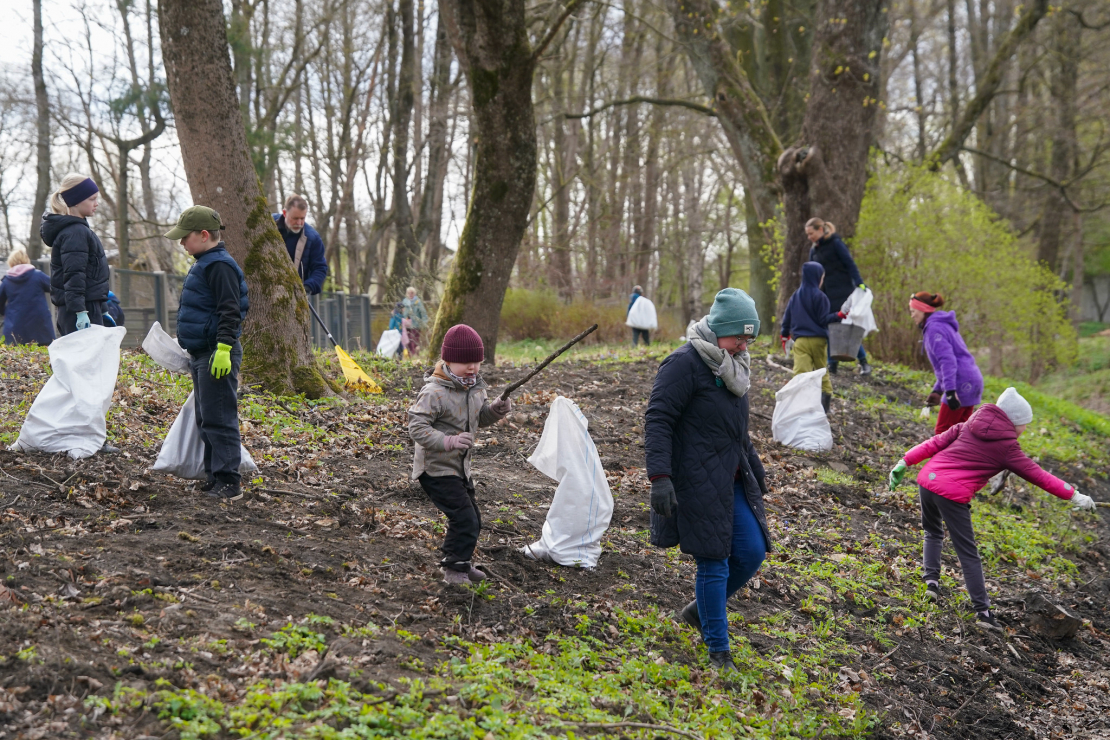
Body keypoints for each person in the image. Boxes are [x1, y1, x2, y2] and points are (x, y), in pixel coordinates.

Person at [888, 387, 1095, 630]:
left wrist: (905, 460)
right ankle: (983, 613)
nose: (1025, 428)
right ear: (1013, 421)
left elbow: (934, 442)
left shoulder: (967, 425)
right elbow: (1040, 476)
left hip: (927, 480)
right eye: (1024, 423)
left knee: (932, 532)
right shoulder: (1008, 448)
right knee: (968, 554)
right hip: (952, 494)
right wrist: (1074, 495)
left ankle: (931, 583)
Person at [645, 288, 771, 670]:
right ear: (718, 329)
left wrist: (754, 467)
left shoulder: (734, 368)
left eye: (749, 339)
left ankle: (699, 611)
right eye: (738, 337)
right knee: (714, 561)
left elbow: (735, 429)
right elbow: (658, 419)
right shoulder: (683, 364)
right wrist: (660, 477)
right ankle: (719, 652)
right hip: (695, 478)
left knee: (752, 551)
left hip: (731, 477)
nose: (743, 346)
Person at [407, 325, 511, 584]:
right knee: (464, 518)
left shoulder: (474, 388)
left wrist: (495, 410)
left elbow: (479, 418)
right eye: (465, 362)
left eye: (477, 361)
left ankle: (460, 562)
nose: (472, 368)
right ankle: (453, 571)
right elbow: (416, 427)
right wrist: (449, 441)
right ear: (448, 360)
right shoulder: (434, 392)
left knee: (473, 517)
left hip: (460, 467)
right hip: (435, 468)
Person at [165, 206, 250, 502]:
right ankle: (214, 475)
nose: (181, 243)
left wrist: (224, 348)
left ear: (203, 235)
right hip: (203, 353)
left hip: (217, 353)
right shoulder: (205, 263)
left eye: (184, 237)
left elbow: (230, 309)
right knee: (206, 417)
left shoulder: (219, 266)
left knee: (219, 417)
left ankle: (229, 481)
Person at [39, 173, 110, 336]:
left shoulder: (80, 230)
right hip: (80, 309)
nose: (96, 203)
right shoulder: (75, 233)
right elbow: (74, 275)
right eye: (92, 199)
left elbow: (91, 276)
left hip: (86, 306)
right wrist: (80, 311)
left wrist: (103, 308)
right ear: (76, 201)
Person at [909, 291, 984, 435]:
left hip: (960, 383)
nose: (912, 315)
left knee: (943, 432)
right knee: (961, 435)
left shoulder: (933, 329)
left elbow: (948, 361)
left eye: (913, 311)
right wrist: (937, 390)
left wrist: (949, 391)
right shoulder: (942, 324)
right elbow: (948, 362)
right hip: (972, 379)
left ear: (922, 310)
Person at [806, 218, 871, 375]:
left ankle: (864, 363)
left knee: (845, 328)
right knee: (829, 326)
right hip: (825, 294)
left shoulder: (836, 243)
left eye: (811, 233)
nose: (809, 237)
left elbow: (850, 263)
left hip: (843, 292)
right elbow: (811, 273)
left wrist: (859, 283)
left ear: (820, 230)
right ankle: (832, 364)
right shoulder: (814, 250)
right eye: (807, 234)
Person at [780, 262, 842, 415]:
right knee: (821, 371)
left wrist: (784, 335)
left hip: (800, 341)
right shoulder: (821, 297)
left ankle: (800, 405)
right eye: (822, 278)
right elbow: (824, 320)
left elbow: (787, 317)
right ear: (817, 278)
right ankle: (825, 406)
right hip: (818, 341)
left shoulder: (795, 296)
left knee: (801, 372)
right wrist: (839, 315)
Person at [272, 194, 328, 295]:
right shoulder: (268, 223)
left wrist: (308, 287)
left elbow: (320, 268)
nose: (299, 223)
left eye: (302, 218)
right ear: (284, 213)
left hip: (295, 294)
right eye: (295, 218)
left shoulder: (313, 238)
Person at [0, 249, 54, 346]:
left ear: (10, 262)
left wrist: (6, 314)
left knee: (17, 354)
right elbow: (55, 288)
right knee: (44, 353)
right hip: (40, 328)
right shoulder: (38, 276)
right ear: (26, 259)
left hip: (14, 328)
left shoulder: (6, 281)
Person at [402, 286, 429, 355]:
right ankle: (410, 354)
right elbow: (402, 312)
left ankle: (414, 354)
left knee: (414, 339)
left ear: (414, 293)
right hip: (407, 324)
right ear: (407, 294)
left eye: (412, 293)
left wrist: (424, 323)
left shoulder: (418, 302)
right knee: (407, 340)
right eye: (409, 293)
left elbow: (423, 312)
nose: (410, 294)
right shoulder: (405, 302)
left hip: (416, 324)